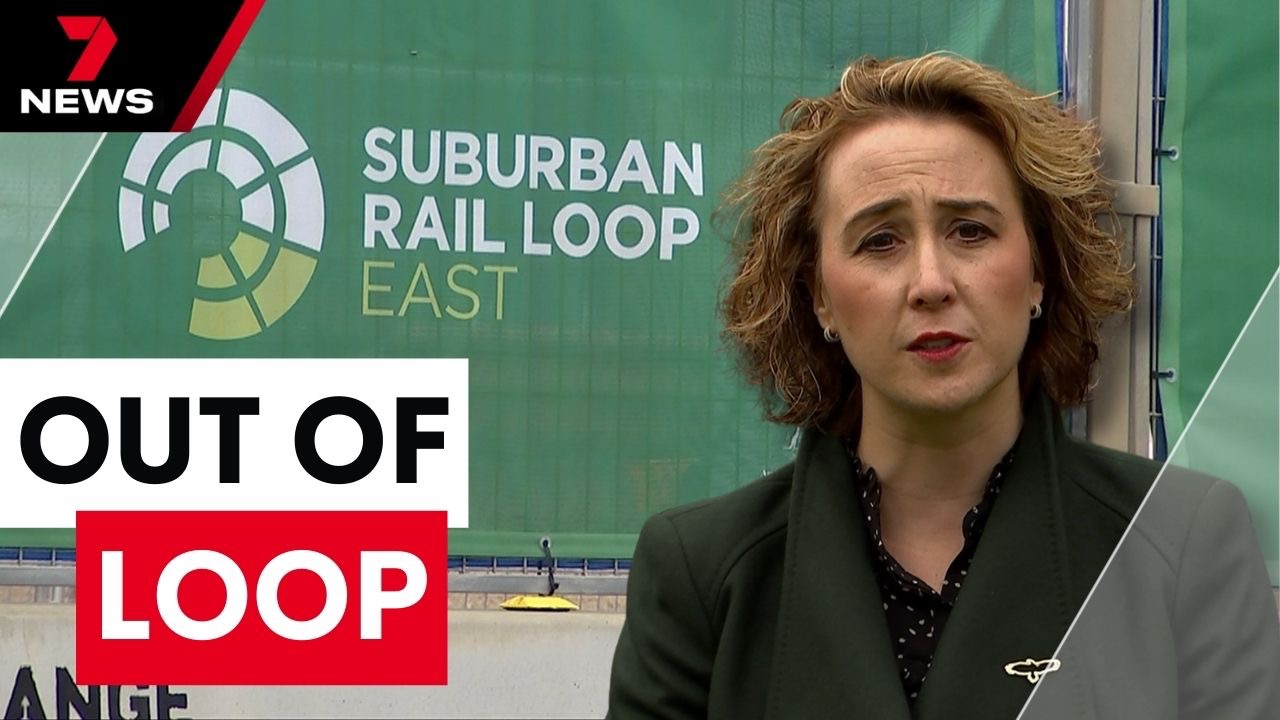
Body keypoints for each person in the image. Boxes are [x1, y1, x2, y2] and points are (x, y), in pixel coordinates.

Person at [605, 53, 1280, 719]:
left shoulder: (1181, 543)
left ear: (1039, 271)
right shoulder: (702, 571)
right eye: (880, 241)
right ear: (819, 299)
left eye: (970, 231)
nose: (931, 283)